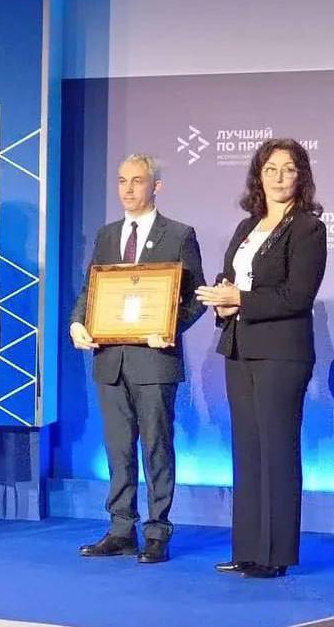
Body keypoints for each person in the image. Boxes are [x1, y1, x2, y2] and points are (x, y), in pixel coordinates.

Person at [195, 139, 326, 579]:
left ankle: (275, 555)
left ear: (301, 176)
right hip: (240, 347)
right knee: (248, 451)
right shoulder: (247, 226)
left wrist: (241, 299)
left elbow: (297, 295)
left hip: (282, 353)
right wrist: (222, 300)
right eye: (271, 169)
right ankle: (248, 549)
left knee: (277, 450)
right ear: (259, 175)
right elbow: (231, 278)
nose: (279, 177)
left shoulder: (307, 228)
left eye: (289, 169)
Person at [69, 153, 206, 563]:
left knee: (157, 448)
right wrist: (77, 323)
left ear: (156, 186)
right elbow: (91, 288)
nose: (128, 189)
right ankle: (121, 529)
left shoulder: (179, 234)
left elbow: (196, 297)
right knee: (117, 449)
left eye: (138, 181)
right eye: (122, 180)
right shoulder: (107, 235)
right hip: (110, 360)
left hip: (155, 361)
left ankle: (158, 531)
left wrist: (169, 328)